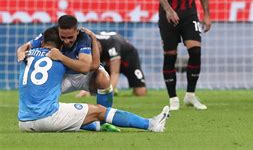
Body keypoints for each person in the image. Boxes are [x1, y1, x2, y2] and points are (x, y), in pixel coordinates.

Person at [18, 26, 170, 132]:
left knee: (73, 111)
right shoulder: (59, 59)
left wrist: (22, 50)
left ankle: (97, 126)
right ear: (59, 46)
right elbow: (91, 66)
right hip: (46, 118)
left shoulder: (29, 55)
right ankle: (151, 124)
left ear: (42, 43)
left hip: (23, 121)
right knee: (99, 111)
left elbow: (25, 47)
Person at [16, 15, 115, 110]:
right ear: (58, 31)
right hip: (62, 76)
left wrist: (61, 57)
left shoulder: (83, 37)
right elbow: (25, 46)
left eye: (70, 37)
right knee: (37, 90)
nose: (67, 41)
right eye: (63, 37)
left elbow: (85, 68)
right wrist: (21, 51)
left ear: (76, 32)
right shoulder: (50, 33)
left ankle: (104, 120)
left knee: (103, 78)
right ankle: (41, 116)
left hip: (83, 77)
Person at [77, 31, 147, 97]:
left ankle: (113, 88)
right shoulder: (87, 45)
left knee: (140, 92)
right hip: (108, 60)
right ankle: (111, 87)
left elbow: (115, 72)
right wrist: (85, 90)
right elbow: (90, 69)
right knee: (95, 89)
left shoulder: (112, 44)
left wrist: (109, 93)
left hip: (128, 59)